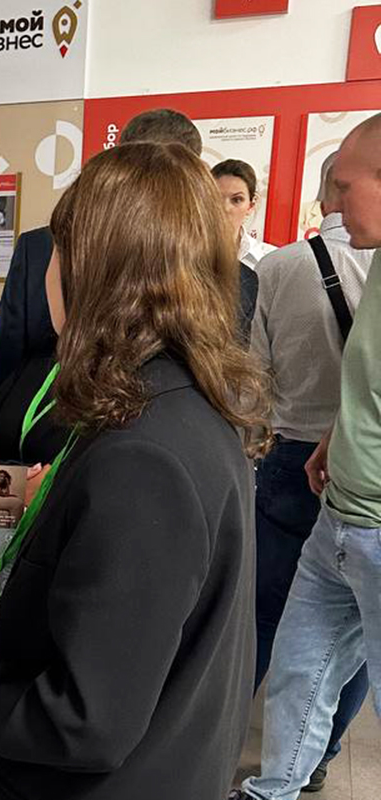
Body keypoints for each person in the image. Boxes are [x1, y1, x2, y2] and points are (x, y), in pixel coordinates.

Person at [0, 141, 268, 800]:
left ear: (87, 269)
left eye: (56, 249)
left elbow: (85, 722)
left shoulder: (142, 457)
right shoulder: (178, 403)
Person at [234, 113, 381, 800]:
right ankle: (276, 787)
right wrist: (336, 434)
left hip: (369, 519)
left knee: (279, 630)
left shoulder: (277, 267)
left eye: (346, 187)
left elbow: (257, 377)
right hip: (333, 503)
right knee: (301, 664)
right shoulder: (376, 264)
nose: (335, 204)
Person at [0, 108, 257, 413]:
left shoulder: (237, 278)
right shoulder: (43, 246)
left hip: (133, 427)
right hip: (44, 423)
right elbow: (8, 355)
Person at [214, 158, 277, 271]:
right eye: (216, 197)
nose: (225, 208)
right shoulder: (184, 255)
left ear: (251, 205)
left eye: (237, 200)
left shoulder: (271, 260)